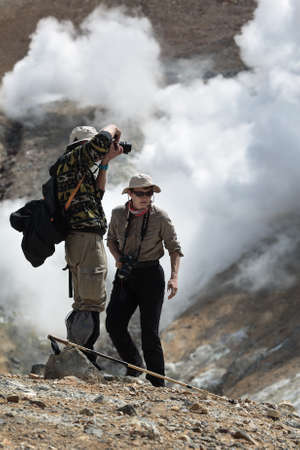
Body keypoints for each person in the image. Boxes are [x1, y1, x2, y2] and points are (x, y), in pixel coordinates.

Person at [105, 173, 183, 386]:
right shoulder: (118, 213)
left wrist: (174, 277)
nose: (146, 197)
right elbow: (110, 239)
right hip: (126, 274)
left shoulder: (161, 217)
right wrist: (118, 258)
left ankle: (157, 382)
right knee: (113, 323)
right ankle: (134, 363)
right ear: (130, 194)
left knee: (150, 332)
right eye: (140, 193)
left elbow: (174, 248)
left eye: (149, 193)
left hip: (151, 275)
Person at [56, 124, 123, 367]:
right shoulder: (72, 160)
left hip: (85, 239)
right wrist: (114, 129)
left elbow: (97, 195)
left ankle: (79, 351)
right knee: (90, 300)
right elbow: (101, 140)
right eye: (91, 146)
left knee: (88, 297)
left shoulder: (76, 168)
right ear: (80, 145)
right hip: (84, 238)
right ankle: (82, 354)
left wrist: (105, 164)